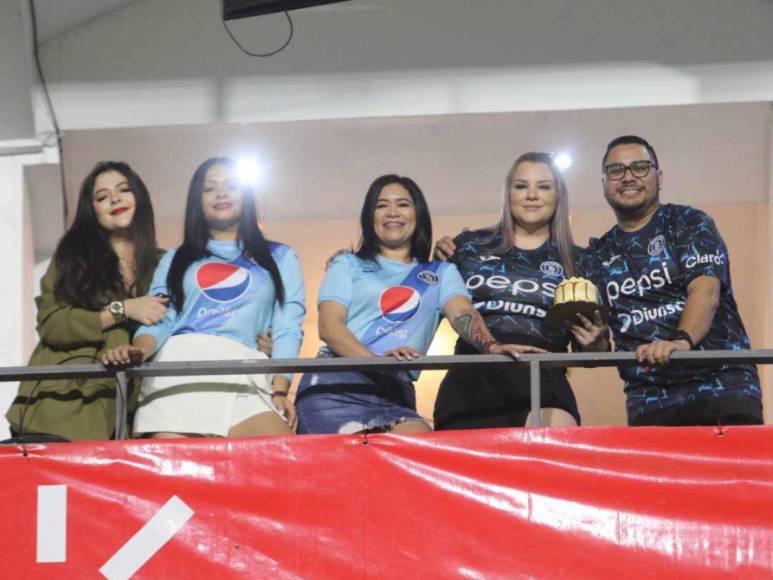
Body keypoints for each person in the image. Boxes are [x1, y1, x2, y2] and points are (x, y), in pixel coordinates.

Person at [295, 174, 543, 435]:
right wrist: (377, 362)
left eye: (402, 204)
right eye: (381, 205)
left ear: (418, 214)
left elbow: (463, 313)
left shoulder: (442, 272)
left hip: (396, 391)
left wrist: (491, 344)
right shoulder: (347, 264)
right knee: (353, 465)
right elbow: (330, 327)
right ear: (370, 217)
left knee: (420, 444)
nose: (392, 212)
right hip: (337, 384)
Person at [102, 157, 305, 438]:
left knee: (284, 455)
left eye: (231, 186)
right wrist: (140, 349)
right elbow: (159, 318)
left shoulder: (280, 256)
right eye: (209, 188)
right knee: (176, 479)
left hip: (244, 372)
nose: (221, 194)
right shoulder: (175, 258)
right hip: (180, 369)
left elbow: (288, 327)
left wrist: (281, 387)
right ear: (197, 201)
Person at [589, 135, 763, 426]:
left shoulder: (689, 222)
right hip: (649, 401)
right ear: (604, 182)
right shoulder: (598, 253)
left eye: (640, 167)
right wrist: (594, 343)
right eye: (616, 170)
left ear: (660, 175)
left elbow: (705, 291)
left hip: (721, 388)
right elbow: (600, 340)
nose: (628, 177)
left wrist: (680, 342)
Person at [432, 152, 609, 429]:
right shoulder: (468, 246)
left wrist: (596, 342)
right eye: (521, 185)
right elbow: (425, 304)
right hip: (468, 383)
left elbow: (592, 353)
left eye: (544, 186)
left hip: (543, 384)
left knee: (553, 461)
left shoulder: (582, 261)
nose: (532, 195)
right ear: (508, 194)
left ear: (558, 196)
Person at [6, 161, 166, 442]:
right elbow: (53, 325)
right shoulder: (73, 256)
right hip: (63, 406)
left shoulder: (163, 263)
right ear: (92, 211)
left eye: (123, 190)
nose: (115, 199)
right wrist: (123, 309)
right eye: (102, 197)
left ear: (138, 197)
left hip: (130, 414)